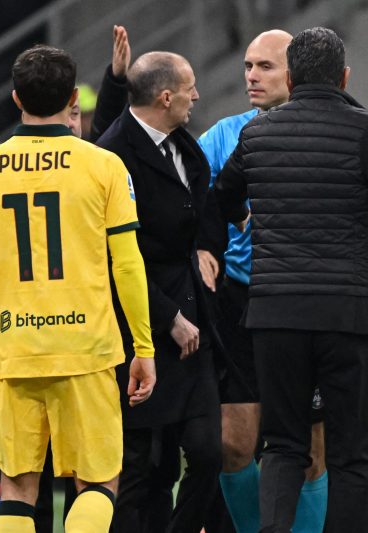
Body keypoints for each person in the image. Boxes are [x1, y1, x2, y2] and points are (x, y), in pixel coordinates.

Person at [215, 27, 368, 533]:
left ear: (290, 79)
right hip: (348, 314)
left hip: (274, 315)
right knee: (350, 452)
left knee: (283, 446)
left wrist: (241, 218)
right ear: (345, 78)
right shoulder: (367, 131)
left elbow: (222, 194)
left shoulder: (257, 134)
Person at [0, 44, 156, 533]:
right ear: (73, 99)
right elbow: (128, 264)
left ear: (15, 98)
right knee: (98, 483)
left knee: (19, 489)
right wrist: (143, 346)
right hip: (86, 349)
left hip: (13, 349)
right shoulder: (104, 166)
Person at [197, 29, 328, 533]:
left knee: (310, 449)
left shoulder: (327, 131)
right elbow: (193, 207)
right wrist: (201, 249)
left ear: (294, 73)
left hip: (303, 297)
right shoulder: (221, 136)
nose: (251, 76)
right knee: (233, 444)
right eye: (248, 66)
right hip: (237, 301)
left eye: (265, 67)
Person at [96, 50, 223, 532]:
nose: (197, 96)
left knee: (208, 454)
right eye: (190, 88)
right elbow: (116, 260)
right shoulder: (113, 154)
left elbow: (201, 209)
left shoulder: (183, 144)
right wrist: (168, 317)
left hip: (195, 316)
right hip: (140, 327)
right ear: (166, 97)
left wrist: (207, 246)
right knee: (143, 469)